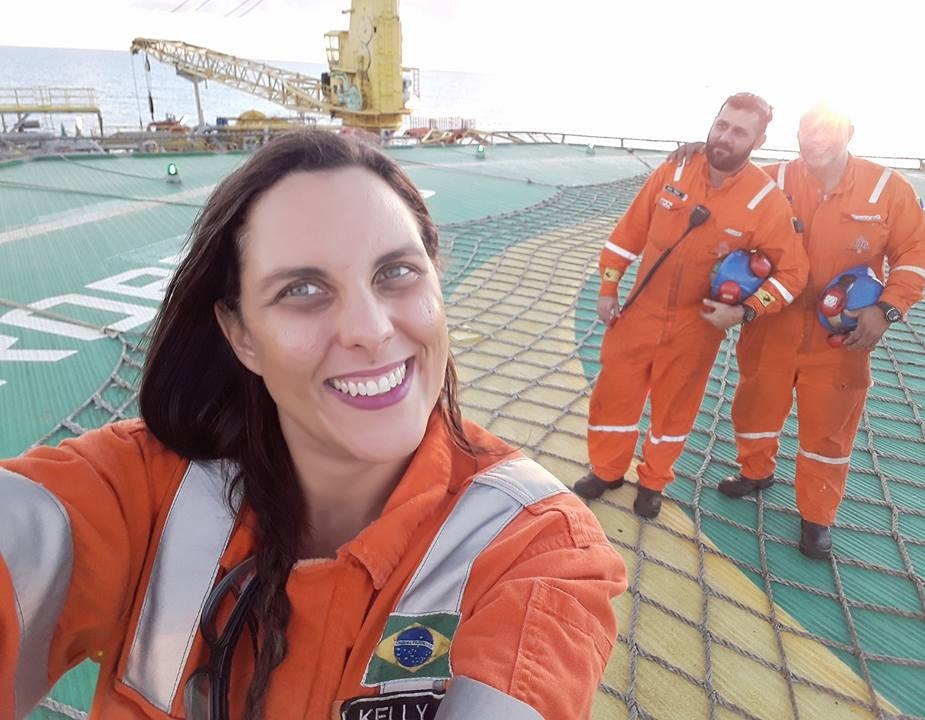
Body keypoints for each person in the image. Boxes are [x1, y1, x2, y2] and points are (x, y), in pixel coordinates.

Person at [0, 132, 627, 720]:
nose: (369, 329)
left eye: (396, 273)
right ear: (240, 333)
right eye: (303, 288)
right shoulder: (134, 489)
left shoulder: (538, 551)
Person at [668, 104, 925, 558]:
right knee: (754, 406)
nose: (816, 139)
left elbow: (915, 251)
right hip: (770, 327)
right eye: (807, 130)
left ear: (849, 131)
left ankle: (817, 516)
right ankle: (756, 472)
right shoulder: (770, 180)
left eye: (828, 129)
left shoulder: (889, 189)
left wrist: (888, 308)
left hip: (840, 340)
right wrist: (700, 159)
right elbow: (718, 192)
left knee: (829, 430)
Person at [573, 93, 809, 519]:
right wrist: (608, 288)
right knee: (612, 398)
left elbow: (794, 274)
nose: (725, 137)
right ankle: (606, 470)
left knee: (674, 411)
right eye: (722, 124)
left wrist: (745, 310)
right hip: (639, 312)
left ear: (759, 140)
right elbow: (628, 235)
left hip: (696, 327)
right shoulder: (673, 168)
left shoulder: (766, 202)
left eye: (740, 131)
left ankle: (653, 481)